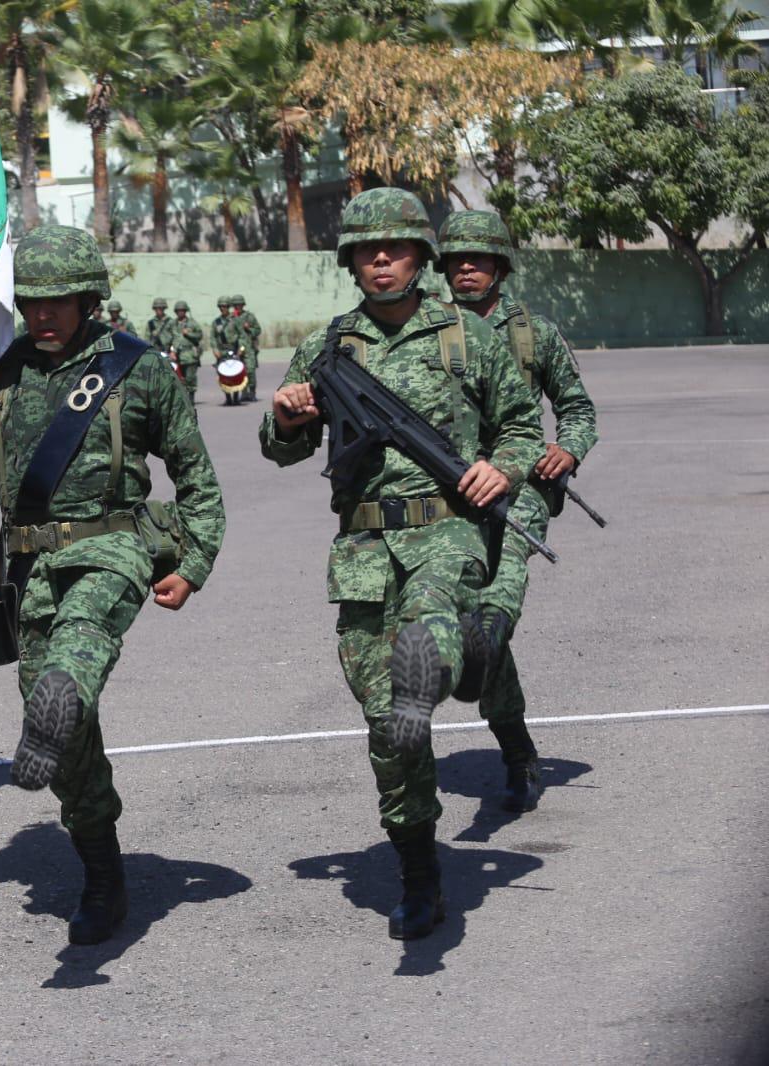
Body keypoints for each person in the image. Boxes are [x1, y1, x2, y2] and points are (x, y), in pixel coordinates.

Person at [0, 225, 225, 945]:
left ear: (88, 298)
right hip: (24, 567)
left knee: (78, 645)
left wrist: (191, 565)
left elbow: (196, 479)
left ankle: (57, 704)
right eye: (32, 303)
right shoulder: (0, 368)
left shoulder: (136, 369)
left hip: (111, 547)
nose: (42, 316)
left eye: (58, 303)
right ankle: (101, 873)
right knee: (67, 734)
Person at [258, 189, 543, 940]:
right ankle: (419, 873)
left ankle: (437, 665)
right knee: (391, 731)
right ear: (350, 260)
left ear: (420, 257)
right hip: (360, 549)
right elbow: (279, 446)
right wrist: (286, 416)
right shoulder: (327, 348)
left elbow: (519, 426)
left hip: (448, 526)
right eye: (365, 250)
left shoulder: (466, 338)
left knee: (433, 613)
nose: (379, 260)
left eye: (394, 249)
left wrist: (502, 472)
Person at [437, 209, 599, 812]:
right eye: (456, 260)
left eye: (479, 259)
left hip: (522, 481)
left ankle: (513, 743)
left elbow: (578, 409)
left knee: (501, 583)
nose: (467, 269)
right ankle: (518, 747)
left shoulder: (536, 333)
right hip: (450, 489)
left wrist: (566, 448)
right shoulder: (425, 330)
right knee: (472, 618)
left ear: (500, 266)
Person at [171, 299, 204, 403]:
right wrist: (171, 351)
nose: (180, 312)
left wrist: (188, 334)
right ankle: (182, 398)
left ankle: (191, 397)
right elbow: (170, 338)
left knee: (190, 378)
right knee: (180, 378)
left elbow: (199, 335)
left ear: (185, 311)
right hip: (177, 355)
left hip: (190, 354)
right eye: (178, 311)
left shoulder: (192, 323)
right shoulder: (173, 324)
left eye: (182, 310)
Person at [229, 294, 262, 399]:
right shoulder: (231, 318)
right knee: (239, 371)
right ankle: (243, 392)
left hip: (249, 349)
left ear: (243, 305)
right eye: (236, 305)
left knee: (250, 370)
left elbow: (258, 330)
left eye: (239, 305)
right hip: (236, 349)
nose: (238, 307)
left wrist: (249, 328)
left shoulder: (249, 317)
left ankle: (252, 392)